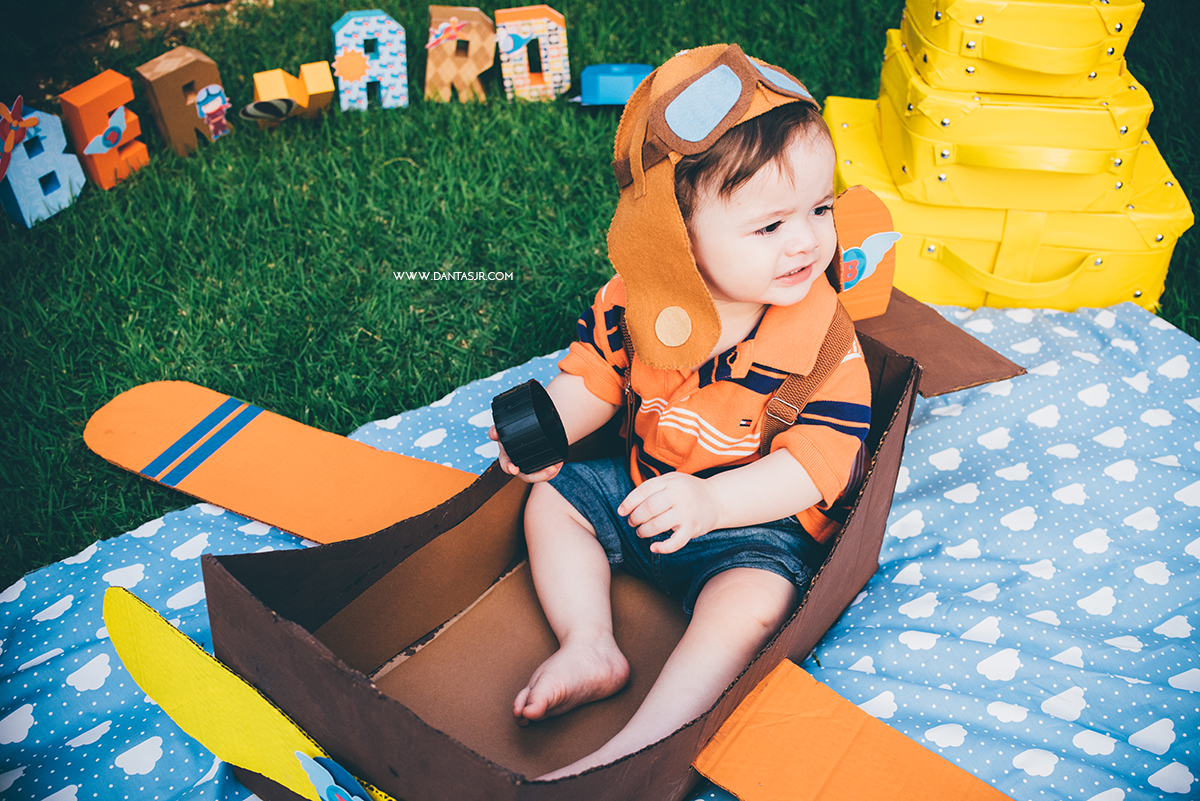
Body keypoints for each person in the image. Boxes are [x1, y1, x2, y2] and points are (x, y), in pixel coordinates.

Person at [488, 44, 872, 780]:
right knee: (552, 499)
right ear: (672, 237)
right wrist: (546, 427)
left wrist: (713, 500)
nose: (806, 241)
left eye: (819, 209)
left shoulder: (822, 339)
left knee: (756, 600)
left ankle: (646, 743)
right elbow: (594, 379)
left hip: (746, 526)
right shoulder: (636, 300)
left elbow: (817, 464)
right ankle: (590, 641)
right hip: (642, 489)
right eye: (770, 226)